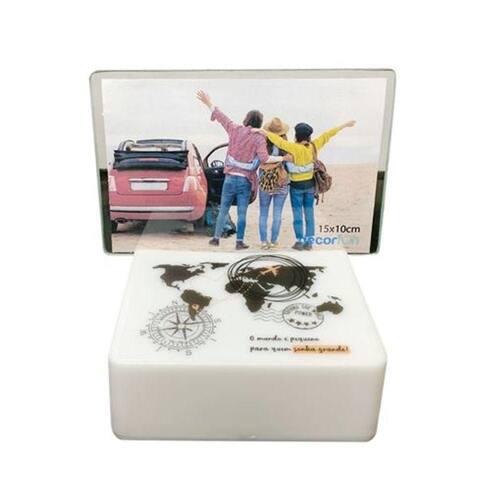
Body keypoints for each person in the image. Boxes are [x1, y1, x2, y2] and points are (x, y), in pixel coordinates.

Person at [196, 91, 288, 249]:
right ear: (260, 123)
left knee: (223, 209)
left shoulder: (234, 129)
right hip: (245, 180)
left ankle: (216, 239)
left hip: (229, 179)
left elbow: (221, 116)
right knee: (242, 213)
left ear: (246, 119)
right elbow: (265, 159)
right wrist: (282, 158)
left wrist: (208, 102)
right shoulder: (259, 138)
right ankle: (239, 242)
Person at [259, 120, 356, 250]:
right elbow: (328, 134)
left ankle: (299, 242)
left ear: (296, 136)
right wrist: (344, 125)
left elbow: (279, 141)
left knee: (297, 215)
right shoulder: (314, 146)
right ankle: (309, 243)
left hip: (296, 188)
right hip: (310, 187)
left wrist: (264, 132)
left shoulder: (293, 148)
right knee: (309, 215)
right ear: (309, 136)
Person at [256, 117, 290, 250]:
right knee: (277, 213)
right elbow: (290, 165)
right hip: (281, 181)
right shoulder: (285, 146)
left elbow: (257, 161)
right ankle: (274, 241)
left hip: (265, 181)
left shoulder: (263, 144)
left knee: (263, 213)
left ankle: (264, 242)